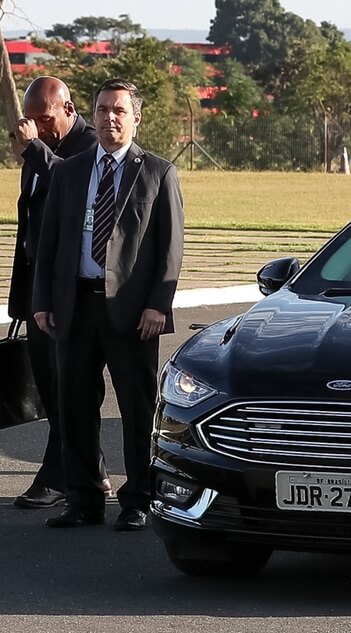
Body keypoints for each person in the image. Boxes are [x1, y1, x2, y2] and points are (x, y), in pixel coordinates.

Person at [32, 78, 184, 531]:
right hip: (75, 305)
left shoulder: (157, 172)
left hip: (132, 313)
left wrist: (158, 306)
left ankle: (138, 498)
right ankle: (82, 499)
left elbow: (170, 247)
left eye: (118, 110)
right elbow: (49, 242)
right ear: (91, 114)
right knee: (74, 405)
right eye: (101, 110)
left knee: (137, 409)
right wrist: (43, 300)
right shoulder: (69, 170)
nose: (109, 118)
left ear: (136, 117)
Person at [7, 76, 113, 509]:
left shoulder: (90, 146)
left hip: (71, 292)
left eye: (44, 118)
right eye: (29, 120)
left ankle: (60, 477)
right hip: (38, 286)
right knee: (49, 386)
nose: (35, 127)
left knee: (70, 385)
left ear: (68, 110)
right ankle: (92, 471)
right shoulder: (44, 149)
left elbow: (73, 193)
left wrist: (34, 149)